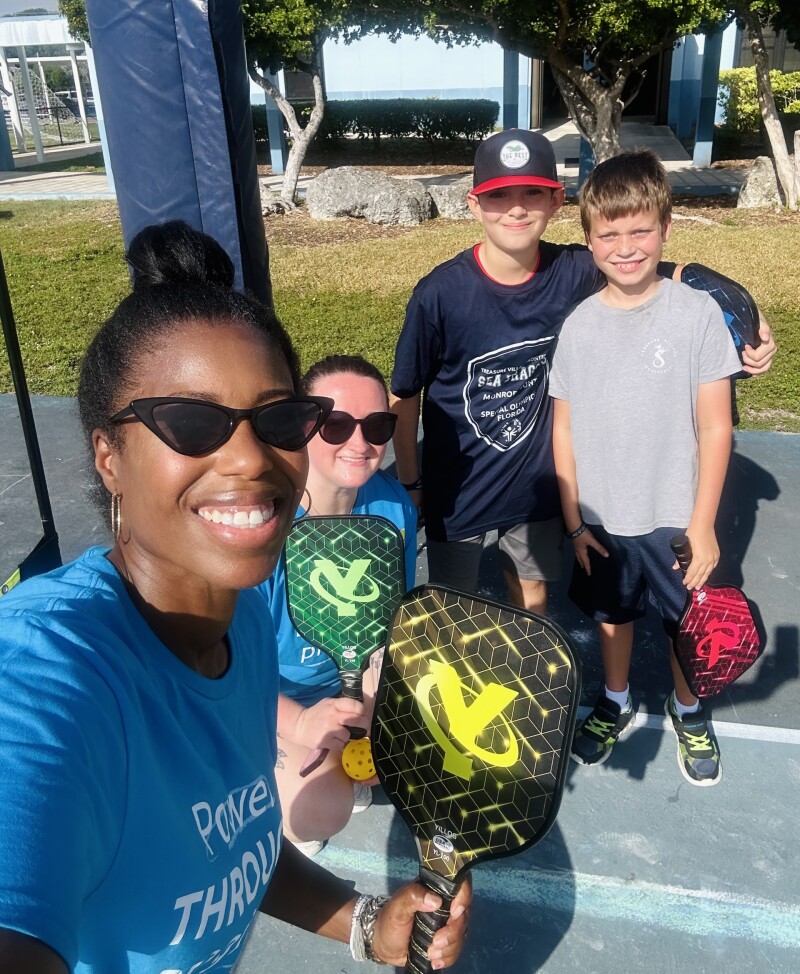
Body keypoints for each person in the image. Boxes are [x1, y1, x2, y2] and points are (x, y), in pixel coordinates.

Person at [0, 221, 470, 973]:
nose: (250, 458)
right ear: (108, 456)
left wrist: (364, 921)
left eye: (278, 418)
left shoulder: (242, 622)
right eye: (192, 423)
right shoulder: (47, 674)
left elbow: (235, 846)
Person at [390, 129, 776, 616]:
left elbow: (643, 262)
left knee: (531, 600)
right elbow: (404, 393)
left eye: (532, 192)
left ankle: (526, 688)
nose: (515, 208)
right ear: (473, 205)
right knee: (452, 608)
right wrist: (410, 481)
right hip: (459, 486)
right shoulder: (439, 295)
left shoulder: (572, 269)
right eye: (498, 195)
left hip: (535, 487)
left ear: (556, 201)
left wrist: (736, 302)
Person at [550, 150, 741, 786]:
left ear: (665, 227)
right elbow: (565, 428)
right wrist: (575, 523)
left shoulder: (696, 315)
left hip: (676, 517)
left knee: (687, 622)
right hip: (604, 519)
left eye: (640, 231)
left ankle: (689, 708)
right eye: (609, 234)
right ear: (588, 240)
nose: (626, 247)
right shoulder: (577, 327)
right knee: (612, 616)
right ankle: (616, 699)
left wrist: (705, 523)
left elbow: (717, 424)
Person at [259, 354, 418, 856]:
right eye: (335, 424)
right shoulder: (261, 523)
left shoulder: (393, 508)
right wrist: (303, 724)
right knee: (319, 813)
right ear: (305, 426)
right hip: (270, 697)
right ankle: (264, 765)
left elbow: (393, 621)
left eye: (377, 425)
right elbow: (226, 672)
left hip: (351, 685)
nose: (359, 441)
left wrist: (375, 694)